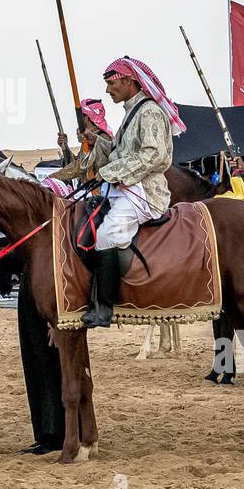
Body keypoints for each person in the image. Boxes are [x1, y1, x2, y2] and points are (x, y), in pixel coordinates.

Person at [82, 56, 186, 329]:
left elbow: (155, 155)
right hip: (125, 190)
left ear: (129, 81)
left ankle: (104, 308)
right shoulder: (131, 112)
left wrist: (110, 173)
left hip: (145, 193)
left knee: (106, 235)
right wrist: (101, 143)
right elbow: (120, 154)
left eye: (111, 84)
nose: (108, 90)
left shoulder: (150, 111)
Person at [49, 98, 113, 186]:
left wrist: (52, 179)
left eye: (82, 116)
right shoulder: (89, 139)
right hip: (87, 191)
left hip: (100, 193)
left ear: (87, 117)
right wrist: (65, 147)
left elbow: (80, 167)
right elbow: (77, 162)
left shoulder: (103, 138)